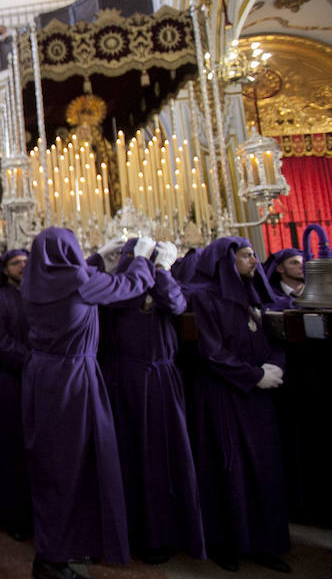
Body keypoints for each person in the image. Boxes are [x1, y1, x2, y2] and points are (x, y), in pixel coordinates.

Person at [21, 228, 156, 579]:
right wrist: (140, 257)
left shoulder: (33, 281)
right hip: (72, 378)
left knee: (50, 468)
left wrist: (98, 257)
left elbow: (77, 277)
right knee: (72, 467)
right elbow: (129, 286)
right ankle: (54, 557)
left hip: (40, 375)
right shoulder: (79, 283)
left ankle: (57, 548)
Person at [185, 237, 291, 573]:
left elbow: (277, 336)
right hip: (222, 395)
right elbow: (212, 352)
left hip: (257, 397)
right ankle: (226, 543)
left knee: (263, 469)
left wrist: (275, 367)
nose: (254, 261)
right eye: (246, 256)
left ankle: (263, 542)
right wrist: (253, 374)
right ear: (226, 261)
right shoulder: (204, 297)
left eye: (253, 255)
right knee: (226, 469)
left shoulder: (256, 292)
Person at [99, 239, 206, 564]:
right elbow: (118, 302)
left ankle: (170, 531)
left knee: (167, 455)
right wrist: (138, 267)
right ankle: (142, 534)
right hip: (127, 380)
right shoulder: (120, 286)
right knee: (135, 457)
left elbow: (175, 304)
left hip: (161, 379)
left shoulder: (164, 284)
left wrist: (161, 270)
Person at [0, 249, 33, 541]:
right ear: (5, 268)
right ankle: (11, 514)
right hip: (10, 383)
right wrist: (33, 361)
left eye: (26, 262)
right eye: (16, 263)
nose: (22, 267)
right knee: (11, 449)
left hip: (37, 382)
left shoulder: (38, 292)